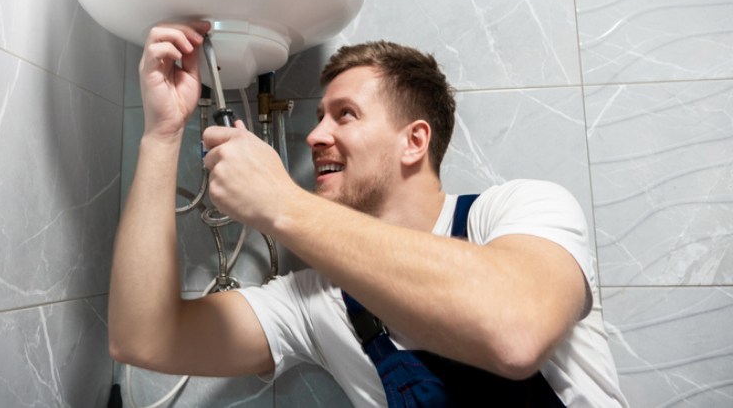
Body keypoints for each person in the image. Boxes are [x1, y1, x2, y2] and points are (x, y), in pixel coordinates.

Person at [109, 22, 627, 407]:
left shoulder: (517, 212)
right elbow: (142, 338)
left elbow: (516, 334)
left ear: (414, 141)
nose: (314, 137)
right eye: (318, 118)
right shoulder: (314, 302)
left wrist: (282, 202)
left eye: (346, 115)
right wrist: (162, 136)